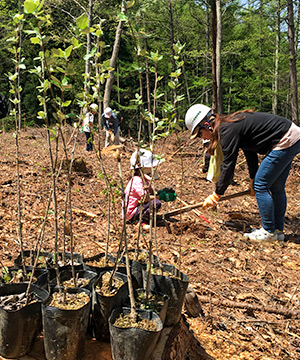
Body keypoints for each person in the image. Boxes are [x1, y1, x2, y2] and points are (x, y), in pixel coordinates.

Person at [185, 104, 300, 241]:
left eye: (199, 133)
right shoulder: (229, 124)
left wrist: (217, 194)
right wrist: (252, 178)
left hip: (285, 139)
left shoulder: (226, 130)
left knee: (261, 185)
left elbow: (228, 166)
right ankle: (277, 231)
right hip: (293, 136)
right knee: (276, 187)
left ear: (207, 124)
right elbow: (250, 151)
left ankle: (269, 232)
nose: (202, 137)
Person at [123, 149, 176, 230]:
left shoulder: (144, 180)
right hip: (131, 213)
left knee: (155, 202)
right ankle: (140, 221)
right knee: (156, 203)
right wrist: (160, 197)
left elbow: (151, 191)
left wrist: (162, 192)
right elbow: (145, 198)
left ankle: (144, 217)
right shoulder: (137, 180)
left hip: (137, 207)